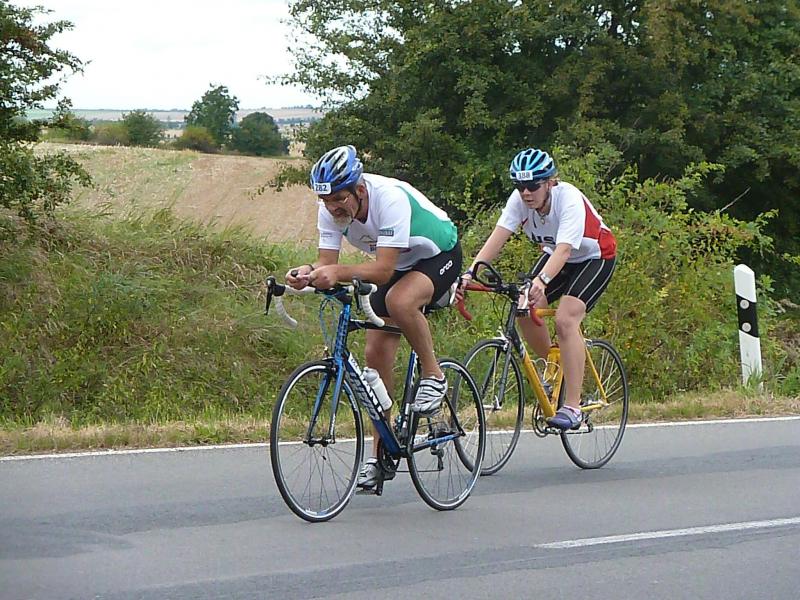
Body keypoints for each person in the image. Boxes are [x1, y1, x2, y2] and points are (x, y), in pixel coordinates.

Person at [286, 145, 462, 488]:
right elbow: (326, 262)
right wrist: (307, 272)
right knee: (374, 355)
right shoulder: (331, 210)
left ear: (360, 190)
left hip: (437, 254)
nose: (332, 207)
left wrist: (338, 273)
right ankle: (381, 455)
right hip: (398, 264)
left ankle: (434, 375)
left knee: (400, 301)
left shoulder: (389, 198)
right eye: (325, 200)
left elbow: (382, 271)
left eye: (339, 199)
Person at [460, 148, 616, 429]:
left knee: (565, 319)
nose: (526, 193)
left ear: (550, 182)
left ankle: (573, 406)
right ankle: (553, 370)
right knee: (523, 304)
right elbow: (498, 237)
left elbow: (565, 250)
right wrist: (471, 273)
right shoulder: (519, 201)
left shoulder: (568, 199)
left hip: (595, 257)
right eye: (520, 186)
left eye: (533, 186)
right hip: (556, 255)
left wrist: (541, 281)